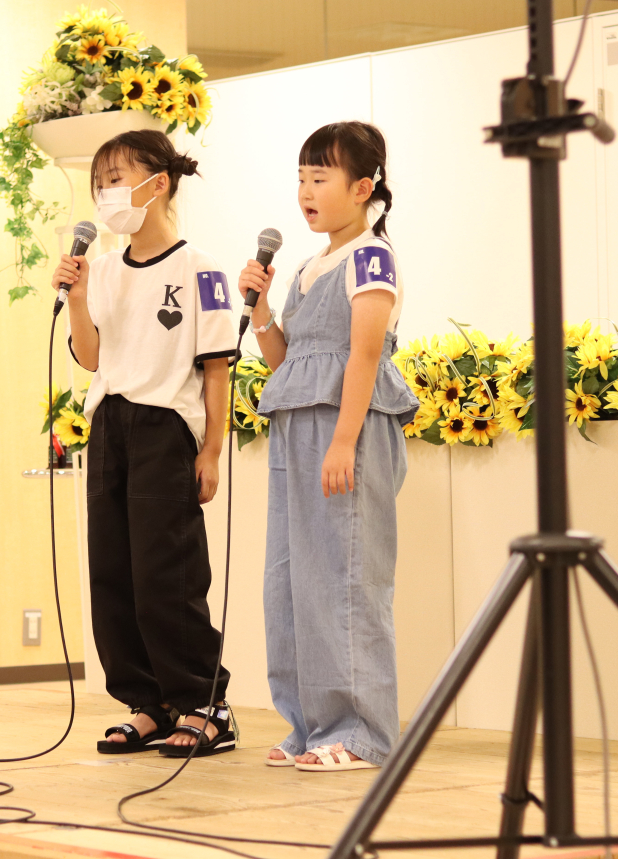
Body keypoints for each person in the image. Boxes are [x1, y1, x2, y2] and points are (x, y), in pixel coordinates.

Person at [237, 121, 418, 771]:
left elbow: (363, 353)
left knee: (345, 576)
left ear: (363, 188)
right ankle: (310, 724)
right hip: (297, 429)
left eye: (320, 178)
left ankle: (361, 732)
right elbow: (287, 361)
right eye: (301, 179)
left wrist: (344, 440)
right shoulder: (308, 267)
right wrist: (260, 309)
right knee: (291, 579)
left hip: (349, 430)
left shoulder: (372, 257)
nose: (306, 192)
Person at [55, 129, 238, 757]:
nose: (105, 194)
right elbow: (90, 358)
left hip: (166, 428)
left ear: (158, 184)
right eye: (99, 184)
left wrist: (211, 451)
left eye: (116, 179)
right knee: (113, 574)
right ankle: (148, 702)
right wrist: (78, 298)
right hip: (110, 425)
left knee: (166, 573)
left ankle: (205, 703)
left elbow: (217, 367)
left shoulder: (201, 269)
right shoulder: (102, 270)